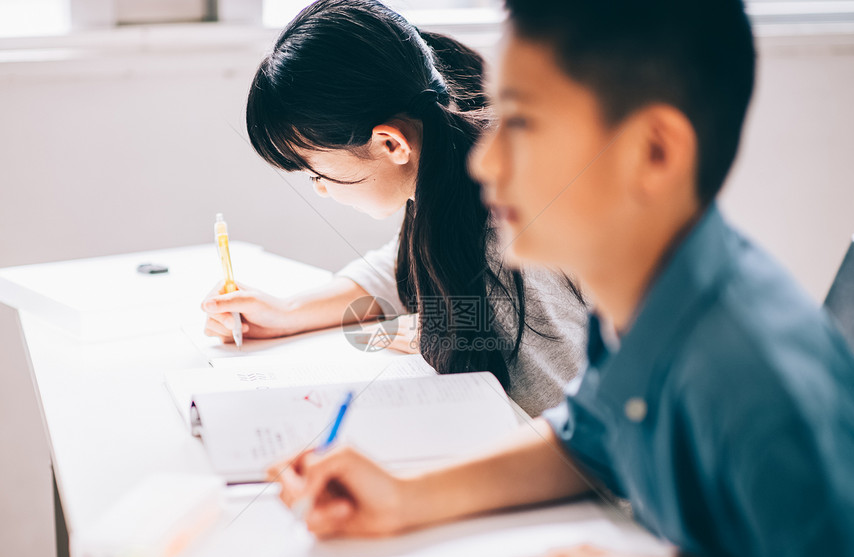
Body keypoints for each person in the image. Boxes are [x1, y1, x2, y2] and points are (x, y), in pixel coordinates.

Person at [267, 1, 854, 557]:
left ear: (652, 152)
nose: (487, 163)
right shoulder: (643, 302)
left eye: (523, 123)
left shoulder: (748, 375)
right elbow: (585, 435)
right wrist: (405, 497)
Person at [201, 0, 588, 416]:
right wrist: (287, 313)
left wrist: (441, 331)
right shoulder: (445, 176)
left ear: (391, 144)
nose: (321, 191)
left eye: (317, 173)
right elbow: (398, 267)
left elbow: (576, 415)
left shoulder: (512, 224)